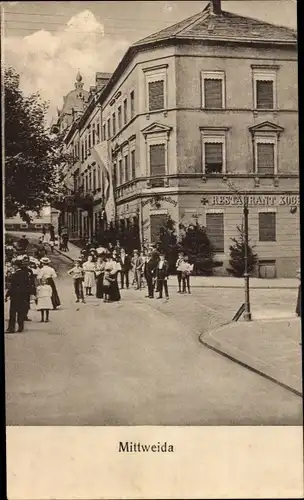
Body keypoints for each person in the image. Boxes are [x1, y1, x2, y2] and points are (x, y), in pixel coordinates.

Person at [5, 259, 35, 333]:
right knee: (20, 311)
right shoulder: (25, 274)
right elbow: (28, 285)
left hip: (15, 296)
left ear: (15, 266)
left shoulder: (15, 275)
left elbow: (13, 286)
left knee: (12, 312)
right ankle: (20, 327)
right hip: (23, 296)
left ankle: (11, 328)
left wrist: (7, 295)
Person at [22, 255, 37, 321]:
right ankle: (21, 315)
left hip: (28, 289)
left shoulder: (30, 270)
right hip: (22, 289)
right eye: (25, 261)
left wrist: (33, 288)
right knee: (22, 303)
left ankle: (25, 315)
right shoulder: (21, 270)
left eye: (27, 262)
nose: (26, 263)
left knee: (27, 303)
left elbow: (32, 280)